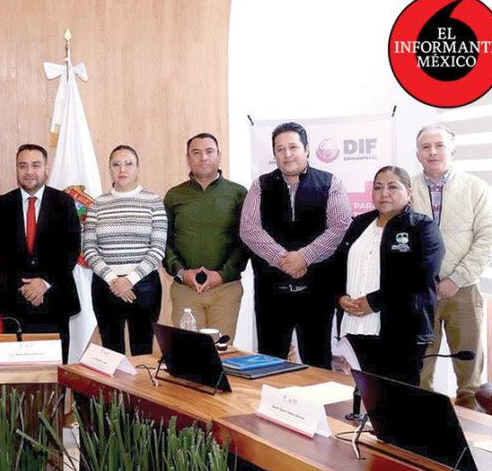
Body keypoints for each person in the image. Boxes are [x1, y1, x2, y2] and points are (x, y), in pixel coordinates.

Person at [240, 122, 350, 369]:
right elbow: (249, 229)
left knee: (317, 362)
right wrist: (283, 259)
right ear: (274, 153)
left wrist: (305, 257)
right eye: (280, 149)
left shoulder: (330, 183)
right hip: (271, 291)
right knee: (269, 361)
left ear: (307, 149)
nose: (287, 154)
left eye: (293, 147)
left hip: (317, 290)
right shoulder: (259, 185)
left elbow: (340, 226)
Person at [412, 124, 492, 408]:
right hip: (420, 295)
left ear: (453, 151)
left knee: (470, 377)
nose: (433, 152)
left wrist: (456, 279)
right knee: (419, 373)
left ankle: (471, 431)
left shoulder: (476, 188)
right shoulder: (406, 189)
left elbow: (487, 240)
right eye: (426, 147)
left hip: (464, 292)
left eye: (439, 145)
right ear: (418, 154)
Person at [334, 166, 444, 385]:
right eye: (378, 187)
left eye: (393, 187)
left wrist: (374, 302)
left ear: (409, 193)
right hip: (357, 325)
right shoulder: (359, 224)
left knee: (398, 396)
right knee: (368, 392)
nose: (384, 193)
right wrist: (340, 296)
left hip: (402, 330)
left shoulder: (423, 227)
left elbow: (419, 277)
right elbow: (337, 266)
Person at [0, 144, 81, 362]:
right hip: (14, 301)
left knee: (54, 370)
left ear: (46, 168)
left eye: (36, 165)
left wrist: (44, 283)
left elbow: (71, 249)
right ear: (16, 169)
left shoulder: (64, 202)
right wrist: (26, 286)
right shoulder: (1, 204)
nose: (29, 171)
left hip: (55, 301)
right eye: (23, 166)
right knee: (16, 371)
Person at [82, 145, 166, 355]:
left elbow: (157, 249)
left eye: (129, 164)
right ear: (109, 168)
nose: (122, 169)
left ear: (138, 167)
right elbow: (89, 249)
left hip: (144, 286)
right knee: (110, 353)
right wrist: (113, 280)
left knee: (143, 351)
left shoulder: (153, 201)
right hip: (106, 286)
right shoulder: (98, 204)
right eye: (116, 164)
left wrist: (130, 280)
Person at [163, 133, 249, 340]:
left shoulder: (238, 193)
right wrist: (182, 272)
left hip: (225, 289)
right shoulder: (174, 195)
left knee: (222, 352)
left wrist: (222, 275)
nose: (203, 157)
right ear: (188, 158)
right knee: (190, 353)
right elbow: (163, 242)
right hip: (186, 291)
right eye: (196, 152)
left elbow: (245, 242)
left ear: (219, 155)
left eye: (209, 151)